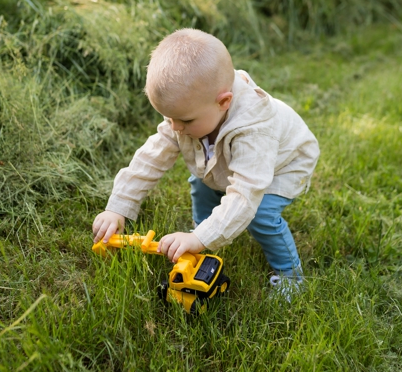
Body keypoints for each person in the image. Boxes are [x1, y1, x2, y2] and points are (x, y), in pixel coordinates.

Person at [91, 28, 319, 300]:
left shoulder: (255, 130)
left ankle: (291, 277)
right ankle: (203, 232)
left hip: (284, 163)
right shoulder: (190, 113)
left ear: (224, 102)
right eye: (168, 118)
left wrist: (201, 238)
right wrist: (118, 207)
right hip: (236, 159)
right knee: (201, 185)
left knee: (260, 216)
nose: (175, 128)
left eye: (184, 121)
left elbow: (246, 194)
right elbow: (150, 158)